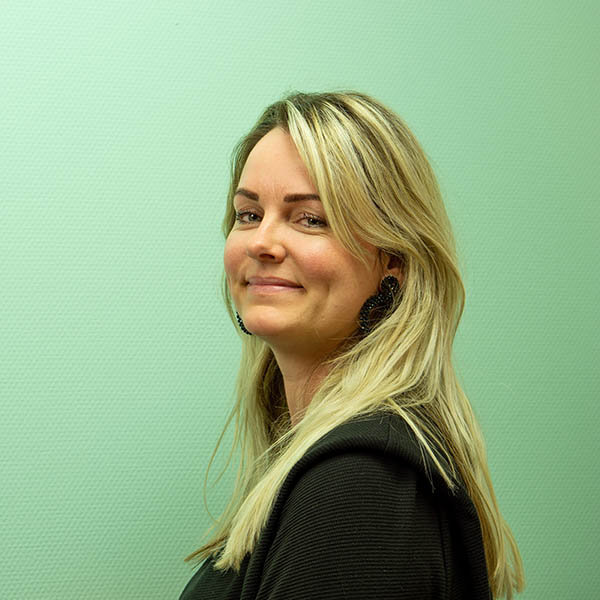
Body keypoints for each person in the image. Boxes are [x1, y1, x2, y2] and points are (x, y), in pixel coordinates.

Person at [179, 91, 525, 599]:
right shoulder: (332, 466)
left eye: (310, 218)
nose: (261, 242)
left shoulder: (361, 485)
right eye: (248, 214)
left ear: (394, 261)